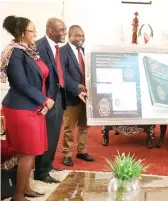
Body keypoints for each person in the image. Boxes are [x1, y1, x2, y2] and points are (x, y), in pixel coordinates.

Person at [1, 15, 54, 201]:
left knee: (32, 152)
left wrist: (43, 100)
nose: (35, 33)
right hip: (21, 108)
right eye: (32, 30)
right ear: (22, 34)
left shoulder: (28, 51)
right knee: (27, 152)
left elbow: (39, 78)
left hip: (34, 106)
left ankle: (26, 188)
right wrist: (44, 100)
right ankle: (18, 195)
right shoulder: (15, 53)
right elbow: (21, 84)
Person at [34, 18, 67, 183]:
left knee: (54, 134)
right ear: (51, 31)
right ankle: (41, 171)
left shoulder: (56, 47)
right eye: (62, 30)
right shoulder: (39, 46)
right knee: (46, 134)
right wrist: (45, 98)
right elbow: (37, 75)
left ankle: (49, 164)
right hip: (47, 98)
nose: (64, 33)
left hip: (58, 96)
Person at [60, 25, 92, 166]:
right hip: (72, 97)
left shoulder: (86, 51)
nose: (81, 38)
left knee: (84, 126)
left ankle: (82, 151)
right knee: (69, 128)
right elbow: (62, 74)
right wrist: (76, 87)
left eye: (82, 35)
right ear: (70, 36)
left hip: (87, 97)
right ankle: (67, 154)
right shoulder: (62, 52)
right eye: (77, 35)